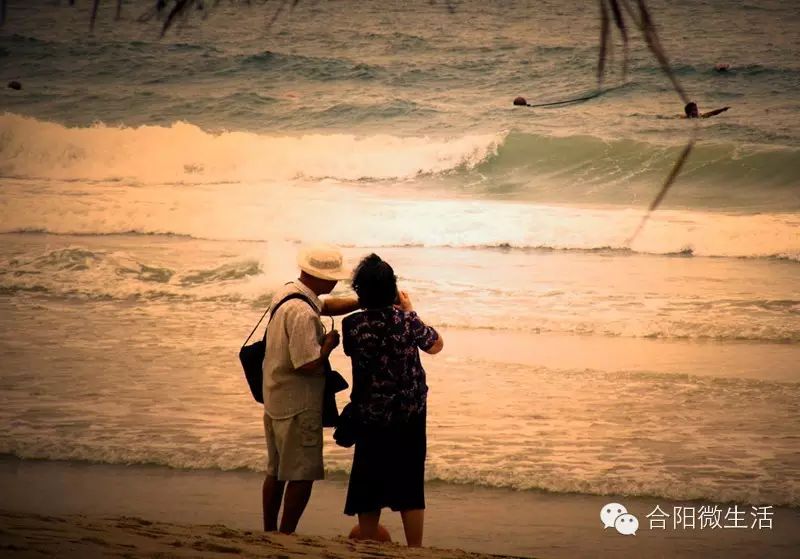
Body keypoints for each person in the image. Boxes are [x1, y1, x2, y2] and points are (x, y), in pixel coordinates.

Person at [341, 254, 444, 547]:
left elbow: (356, 349)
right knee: (410, 481)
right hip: (409, 413)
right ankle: (414, 548)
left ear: (361, 292)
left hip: (370, 413)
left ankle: (370, 541)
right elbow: (435, 345)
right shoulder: (407, 321)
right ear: (393, 289)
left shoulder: (352, 326)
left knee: (368, 478)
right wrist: (409, 310)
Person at [262, 244, 360, 534]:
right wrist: (328, 345)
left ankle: (269, 531)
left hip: (275, 395)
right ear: (319, 276)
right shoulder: (304, 314)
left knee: (276, 471)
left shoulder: (289, 293)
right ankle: (287, 534)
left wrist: (360, 302)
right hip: (299, 403)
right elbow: (307, 363)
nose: (336, 282)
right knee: (302, 474)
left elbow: (326, 306)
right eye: (333, 278)